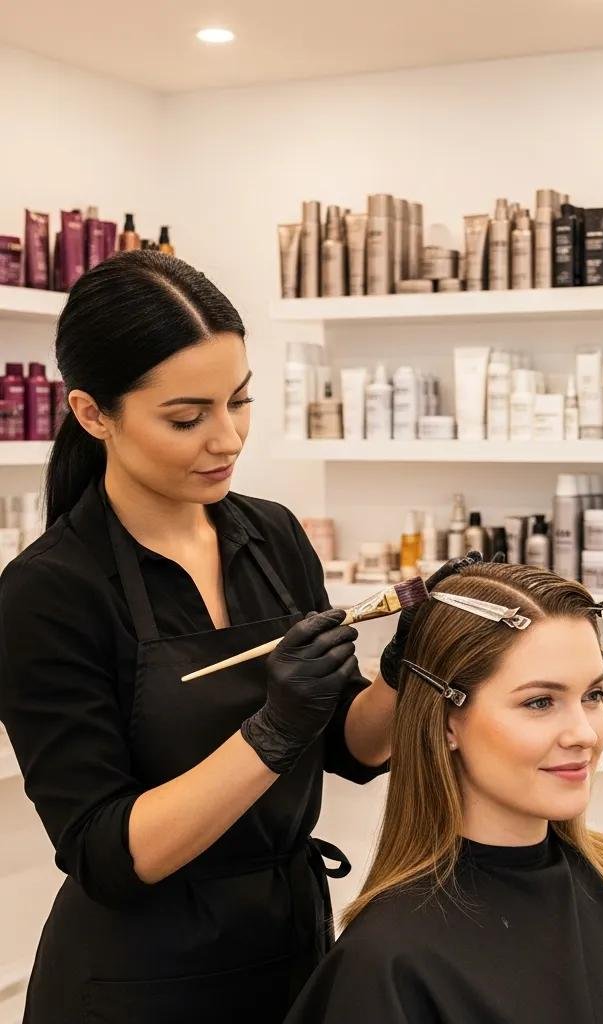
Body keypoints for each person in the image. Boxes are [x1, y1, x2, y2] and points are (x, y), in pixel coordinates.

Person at [0, 251, 470, 1024]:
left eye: (239, 402)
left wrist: (413, 663)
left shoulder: (272, 537)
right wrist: (270, 733)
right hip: (137, 983)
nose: (228, 439)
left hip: (286, 947)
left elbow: (352, 748)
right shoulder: (52, 591)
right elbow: (109, 856)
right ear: (92, 414)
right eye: (187, 418)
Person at [285, 563, 603, 1024]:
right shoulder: (390, 959)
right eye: (540, 702)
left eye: (593, 696)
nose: (585, 734)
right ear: (445, 723)